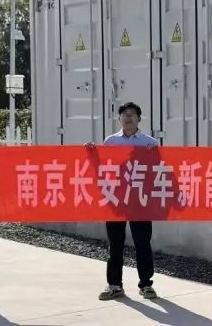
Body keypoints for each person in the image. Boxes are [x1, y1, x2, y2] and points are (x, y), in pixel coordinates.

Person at [86, 102, 159, 301]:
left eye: (132, 114)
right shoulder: (110, 141)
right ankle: (115, 285)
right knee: (115, 244)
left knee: (142, 243)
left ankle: (146, 285)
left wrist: (155, 154)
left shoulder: (149, 142)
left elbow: (158, 170)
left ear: (139, 118)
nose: (128, 118)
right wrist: (92, 152)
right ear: (119, 118)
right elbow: (103, 167)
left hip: (140, 200)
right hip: (116, 200)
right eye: (125, 114)